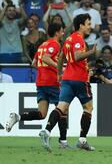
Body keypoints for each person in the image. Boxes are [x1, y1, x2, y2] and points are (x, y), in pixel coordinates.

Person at [6, 23, 69, 148]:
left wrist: (44, 70)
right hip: (51, 82)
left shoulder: (42, 45)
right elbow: (46, 58)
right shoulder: (54, 44)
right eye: (62, 31)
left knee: (42, 114)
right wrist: (59, 68)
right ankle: (62, 142)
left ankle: (17, 117)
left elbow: (34, 63)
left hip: (40, 82)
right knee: (63, 110)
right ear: (56, 32)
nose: (63, 34)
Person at [39, 14, 97, 152]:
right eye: (88, 24)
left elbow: (61, 59)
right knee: (88, 108)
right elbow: (77, 56)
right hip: (80, 80)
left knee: (61, 108)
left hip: (67, 80)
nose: (90, 27)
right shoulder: (78, 39)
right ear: (81, 25)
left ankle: (46, 131)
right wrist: (91, 52)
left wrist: (59, 73)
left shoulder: (67, 40)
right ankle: (82, 140)